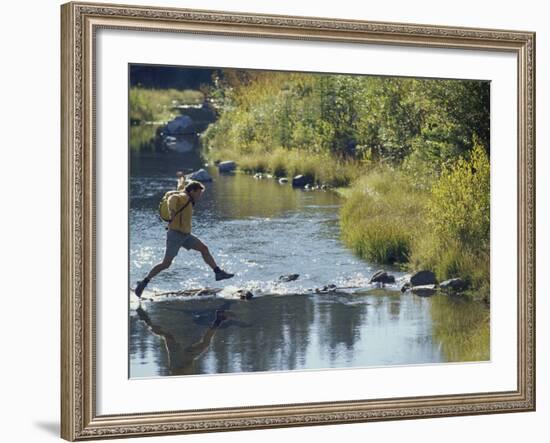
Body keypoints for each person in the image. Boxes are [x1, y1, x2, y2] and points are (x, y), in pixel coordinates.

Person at [134, 180, 234, 298]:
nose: (199, 196)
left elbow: (180, 189)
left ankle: (218, 273)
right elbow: (173, 198)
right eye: (198, 193)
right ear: (192, 191)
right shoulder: (183, 197)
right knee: (166, 264)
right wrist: (171, 210)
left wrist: (181, 180)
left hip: (185, 235)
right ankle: (144, 282)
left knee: (204, 249)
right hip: (175, 235)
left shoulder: (187, 196)